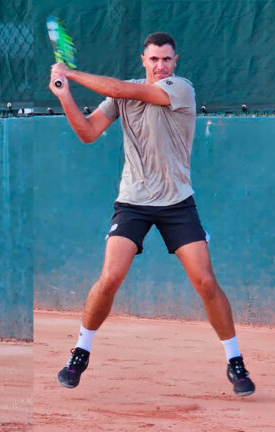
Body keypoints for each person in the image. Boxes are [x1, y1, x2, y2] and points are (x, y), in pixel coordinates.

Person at [48, 32, 255, 396]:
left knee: (206, 281)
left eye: (167, 60)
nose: (161, 66)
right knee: (110, 277)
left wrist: (74, 74)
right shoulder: (122, 91)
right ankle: (80, 351)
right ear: (143, 60)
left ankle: (234, 361)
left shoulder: (180, 89)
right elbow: (88, 131)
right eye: (155, 60)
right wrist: (65, 95)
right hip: (133, 202)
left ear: (175, 62)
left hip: (177, 202)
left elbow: (124, 91)